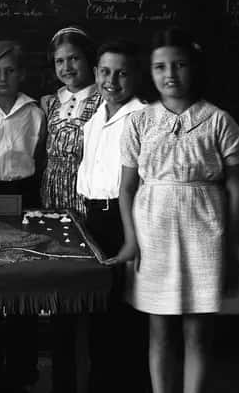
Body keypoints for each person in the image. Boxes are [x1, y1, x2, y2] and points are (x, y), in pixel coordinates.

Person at [107, 27, 239, 393]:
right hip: (154, 234)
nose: (170, 75)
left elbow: (236, 186)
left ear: (194, 67)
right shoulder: (138, 121)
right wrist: (131, 240)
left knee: (198, 331)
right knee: (160, 329)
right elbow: (126, 187)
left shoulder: (218, 121)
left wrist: (231, 246)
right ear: (149, 73)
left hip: (205, 231)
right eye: (160, 67)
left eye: (180, 64)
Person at [75, 39, 149, 393]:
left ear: (135, 76)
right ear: (95, 73)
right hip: (93, 219)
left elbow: (137, 183)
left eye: (122, 73)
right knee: (99, 310)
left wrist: (133, 236)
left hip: (124, 219)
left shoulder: (141, 116)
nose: (112, 80)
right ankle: (101, 380)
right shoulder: (94, 118)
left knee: (126, 313)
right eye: (105, 72)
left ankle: (126, 383)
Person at [0, 40, 45, 393]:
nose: (4, 77)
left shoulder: (35, 111)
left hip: (24, 198)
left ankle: (22, 368)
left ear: (22, 73)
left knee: (22, 282)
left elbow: (41, 157)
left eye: (11, 71)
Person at [39, 26, 101, 393]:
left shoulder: (103, 101)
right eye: (60, 61)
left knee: (86, 293)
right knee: (59, 292)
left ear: (89, 60)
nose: (67, 66)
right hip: (53, 206)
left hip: (85, 206)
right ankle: (62, 376)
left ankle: (89, 374)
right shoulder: (52, 102)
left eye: (74, 58)